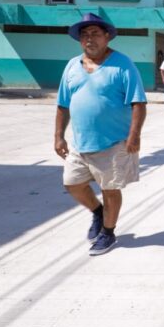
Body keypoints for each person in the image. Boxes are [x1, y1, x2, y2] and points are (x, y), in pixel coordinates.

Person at [54, 13, 147, 256]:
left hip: (114, 143)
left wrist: (134, 135)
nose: (89, 39)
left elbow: (138, 102)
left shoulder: (122, 64)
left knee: (110, 189)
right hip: (80, 143)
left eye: (95, 33)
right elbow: (63, 104)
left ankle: (108, 232)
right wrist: (58, 136)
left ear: (107, 36)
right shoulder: (72, 66)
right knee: (72, 183)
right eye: (84, 35)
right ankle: (98, 212)